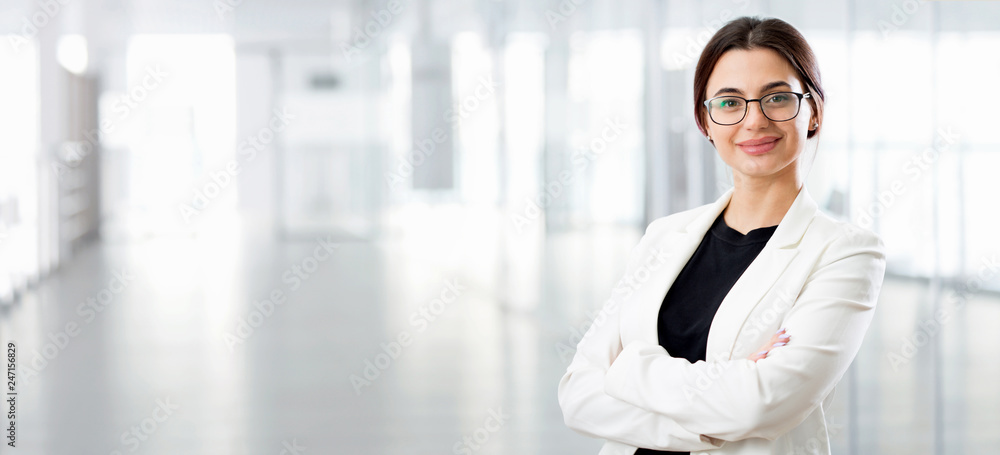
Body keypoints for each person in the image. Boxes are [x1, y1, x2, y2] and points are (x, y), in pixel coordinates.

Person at [557, 16, 887, 455]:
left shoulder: (846, 253)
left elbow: (760, 404)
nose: (755, 120)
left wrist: (630, 369)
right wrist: (716, 414)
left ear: (814, 113)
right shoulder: (664, 237)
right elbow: (578, 396)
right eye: (730, 103)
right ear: (704, 121)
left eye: (777, 98)